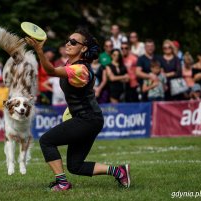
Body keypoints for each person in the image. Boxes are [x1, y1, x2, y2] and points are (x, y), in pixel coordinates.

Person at [26, 28, 131, 191]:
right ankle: (119, 171)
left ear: (83, 48)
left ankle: (62, 183)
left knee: (46, 141)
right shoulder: (71, 65)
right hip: (88, 118)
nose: (68, 43)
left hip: (88, 119)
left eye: (74, 42)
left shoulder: (80, 69)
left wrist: (39, 50)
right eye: (68, 40)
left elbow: (50, 71)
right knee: (75, 166)